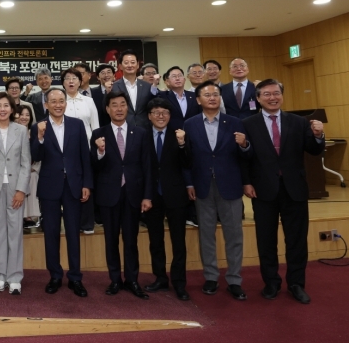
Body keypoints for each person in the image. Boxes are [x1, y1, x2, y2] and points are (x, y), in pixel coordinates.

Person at [242, 79, 325, 304]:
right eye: (267, 94)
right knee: (266, 240)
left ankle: (296, 283)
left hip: (294, 189)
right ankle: (271, 283)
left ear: (282, 95)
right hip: (263, 190)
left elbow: (314, 150)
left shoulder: (298, 122)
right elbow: (244, 158)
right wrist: (246, 182)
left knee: (297, 240)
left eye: (276, 93)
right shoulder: (248, 123)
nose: (272, 98)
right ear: (258, 98)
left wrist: (318, 135)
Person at [184, 81, 250, 301]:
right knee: (206, 235)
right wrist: (189, 183)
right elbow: (186, 159)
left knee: (234, 235)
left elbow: (246, 158)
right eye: (207, 95)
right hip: (202, 185)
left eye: (215, 94)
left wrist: (244, 145)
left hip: (230, 185)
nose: (212, 97)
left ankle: (234, 280)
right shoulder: (190, 124)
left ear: (220, 98)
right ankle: (211, 277)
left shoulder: (235, 122)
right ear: (198, 100)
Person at [91, 90, 153, 300]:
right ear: (107, 109)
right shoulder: (98, 134)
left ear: (128, 107)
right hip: (109, 194)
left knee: (131, 240)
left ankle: (132, 280)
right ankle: (115, 279)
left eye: (122, 104)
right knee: (111, 240)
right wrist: (100, 152)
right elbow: (94, 166)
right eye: (114, 105)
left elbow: (147, 166)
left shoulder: (141, 132)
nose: (119, 109)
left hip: (133, 193)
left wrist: (147, 196)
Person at [30, 89, 92, 298]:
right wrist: (39, 137)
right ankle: (55, 275)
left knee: (73, 232)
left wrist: (87, 183)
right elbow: (35, 156)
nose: (58, 105)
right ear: (46, 105)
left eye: (61, 101)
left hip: (74, 185)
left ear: (66, 103)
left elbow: (85, 156)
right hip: (50, 186)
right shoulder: (38, 126)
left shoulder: (77, 124)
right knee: (51, 233)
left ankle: (75, 277)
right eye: (53, 101)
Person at [142, 98, 192, 301]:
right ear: (149, 116)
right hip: (152, 195)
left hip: (175, 194)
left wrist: (181, 144)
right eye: (156, 112)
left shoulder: (180, 134)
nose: (160, 116)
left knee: (178, 242)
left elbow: (188, 162)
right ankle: (160, 278)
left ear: (170, 116)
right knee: (155, 241)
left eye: (164, 112)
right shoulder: (142, 135)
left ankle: (179, 282)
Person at [0, 93, 31, 295]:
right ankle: (0, 275)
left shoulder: (21, 130)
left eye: (6, 106)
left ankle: (15, 277)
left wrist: (21, 190)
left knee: (15, 232)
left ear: (12, 109)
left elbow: (26, 162)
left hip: (15, 188)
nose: (2, 109)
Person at [61, 68, 100, 234]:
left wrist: (97, 145)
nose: (71, 81)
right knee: (71, 187)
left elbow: (95, 126)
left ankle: (87, 223)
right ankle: (73, 222)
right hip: (66, 151)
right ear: (63, 83)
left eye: (74, 78)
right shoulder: (60, 101)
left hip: (87, 149)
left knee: (87, 184)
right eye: (67, 78)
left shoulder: (88, 101)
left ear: (80, 82)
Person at [111, 51, 158, 129]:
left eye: (133, 62)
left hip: (144, 128)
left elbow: (154, 104)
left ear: (138, 65)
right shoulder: (114, 86)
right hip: (122, 128)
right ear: (120, 66)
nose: (130, 65)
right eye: (126, 63)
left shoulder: (147, 86)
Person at [15, 106, 40, 228]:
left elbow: (40, 152)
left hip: (32, 168)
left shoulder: (34, 132)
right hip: (15, 169)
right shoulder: (13, 132)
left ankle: (30, 215)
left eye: (27, 115)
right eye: (21, 114)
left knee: (33, 176)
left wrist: (34, 167)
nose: (24, 117)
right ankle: (20, 216)